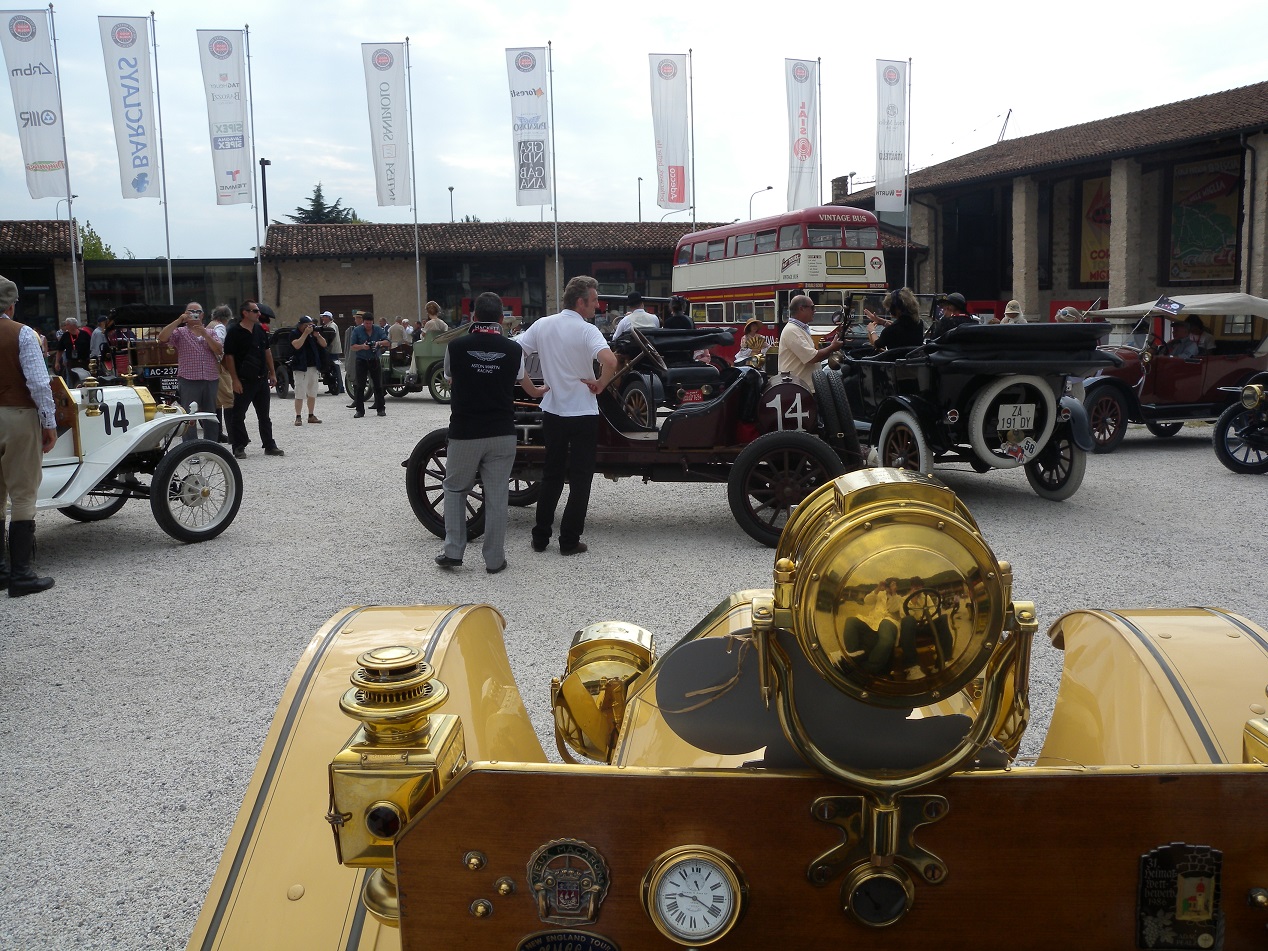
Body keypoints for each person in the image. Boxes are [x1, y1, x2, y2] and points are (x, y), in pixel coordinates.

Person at [435, 291, 548, 574]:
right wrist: (544, 390)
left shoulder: (455, 347)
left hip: (465, 431)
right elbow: (527, 386)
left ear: (473, 316)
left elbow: (449, 379)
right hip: (502, 432)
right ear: (501, 318)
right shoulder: (513, 350)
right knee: (497, 496)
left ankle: (453, 551)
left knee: (455, 489)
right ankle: (495, 559)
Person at [516, 275, 618, 556]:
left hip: (553, 409)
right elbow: (610, 361)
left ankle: (540, 537)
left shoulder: (543, 325)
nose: (597, 305)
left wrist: (531, 389)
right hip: (583, 411)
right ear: (581, 302)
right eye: (594, 300)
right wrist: (601, 383)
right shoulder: (587, 331)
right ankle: (569, 540)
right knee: (581, 479)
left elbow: (515, 352)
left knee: (552, 474)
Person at [0, 274, 57, 596]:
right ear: (10, 305)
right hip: (17, 416)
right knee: (22, 493)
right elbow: (38, 382)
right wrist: (49, 422)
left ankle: (0, 570)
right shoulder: (22, 333)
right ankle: (21, 574)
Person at [222, 299, 284, 459]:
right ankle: (239, 446)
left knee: (264, 416)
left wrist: (272, 373)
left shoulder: (259, 330)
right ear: (245, 313)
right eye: (255, 311)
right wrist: (235, 380)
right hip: (244, 380)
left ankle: (269, 445)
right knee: (238, 415)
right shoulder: (234, 332)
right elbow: (229, 357)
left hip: (261, 379)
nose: (259, 314)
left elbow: (267, 351)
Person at [158, 301, 222, 441]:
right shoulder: (180, 332)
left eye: (197, 312)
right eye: (191, 312)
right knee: (188, 416)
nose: (194, 314)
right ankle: (190, 446)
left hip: (210, 379)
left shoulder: (211, 332)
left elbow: (219, 350)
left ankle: (211, 445)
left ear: (202, 315)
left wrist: (205, 334)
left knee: (211, 415)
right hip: (189, 379)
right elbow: (162, 338)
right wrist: (179, 320)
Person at [778, 295, 843, 390]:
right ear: (801, 309)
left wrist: (838, 335)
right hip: (798, 389)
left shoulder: (800, 328)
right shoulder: (792, 330)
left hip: (804, 387)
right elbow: (812, 358)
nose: (814, 311)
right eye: (812, 307)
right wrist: (832, 348)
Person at [840, 579, 902, 676]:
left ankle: (869, 668)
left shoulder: (899, 598)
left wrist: (893, 593)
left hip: (888, 621)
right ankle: (853, 655)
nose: (890, 587)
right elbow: (867, 601)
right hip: (873, 621)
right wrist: (878, 588)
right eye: (889, 585)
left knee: (886, 640)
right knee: (851, 621)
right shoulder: (880, 594)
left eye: (893, 585)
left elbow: (893, 608)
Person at [348, 310, 389, 417]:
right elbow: (352, 347)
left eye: (370, 323)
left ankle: (381, 408)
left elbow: (387, 342)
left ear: (372, 322)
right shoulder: (357, 330)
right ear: (363, 322)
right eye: (366, 323)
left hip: (374, 359)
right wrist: (362, 346)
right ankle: (359, 410)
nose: (368, 325)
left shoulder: (378, 329)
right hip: (361, 360)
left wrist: (378, 343)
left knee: (378, 385)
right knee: (360, 386)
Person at [289, 315, 327, 426]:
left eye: (311, 325)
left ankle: (311, 415)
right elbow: (297, 345)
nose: (309, 327)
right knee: (299, 393)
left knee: (312, 392)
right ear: (301, 325)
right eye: (307, 325)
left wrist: (318, 335)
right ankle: (298, 416)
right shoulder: (294, 333)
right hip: (300, 367)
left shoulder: (313, 334)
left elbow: (324, 344)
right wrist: (305, 334)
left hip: (313, 366)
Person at [207, 305, 234, 442]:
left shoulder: (209, 325)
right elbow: (219, 344)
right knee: (229, 399)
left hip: (209, 366)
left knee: (216, 402)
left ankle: (217, 433)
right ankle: (233, 434)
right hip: (219, 365)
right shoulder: (220, 327)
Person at [54, 316, 90, 383]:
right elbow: (60, 350)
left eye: (67, 325)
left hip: (84, 361)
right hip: (72, 362)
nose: (66, 327)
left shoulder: (84, 334)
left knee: (85, 379)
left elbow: (91, 347)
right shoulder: (65, 336)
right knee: (73, 380)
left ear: (73, 325)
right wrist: (57, 362)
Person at [318, 311, 343, 395]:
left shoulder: (332, 326)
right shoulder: (327, 326)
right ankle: (331, 386)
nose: (322, 318)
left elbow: (330, 336)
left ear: (328, 318)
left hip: (333, 350)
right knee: (330, 368)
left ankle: (340, 387)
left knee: (335, 368)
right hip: (330, 350)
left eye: (324, 317)